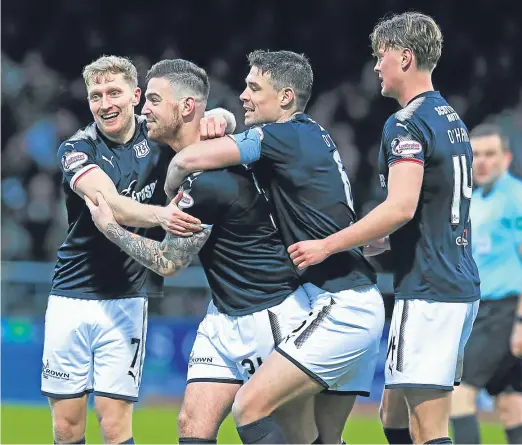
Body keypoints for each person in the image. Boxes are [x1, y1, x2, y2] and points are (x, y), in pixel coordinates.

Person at [85, 58, 319, 444]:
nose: (145, 110)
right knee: (192, 426)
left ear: (186, 107)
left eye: (155, 100)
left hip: (269, 312)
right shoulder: (197, 152)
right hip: (223, 315)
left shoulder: (211, 180)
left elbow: (169, 261)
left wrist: (110, 227)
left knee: (294, 434)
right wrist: (223, 116)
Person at [163, 49, 384, 444]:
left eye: (253, 88)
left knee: (250, 408)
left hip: (340, 305)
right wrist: (225, 119)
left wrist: (171, 186)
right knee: (323, 438)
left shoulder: (281, 137)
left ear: (284, 97)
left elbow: (191, 158)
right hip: (352, 296)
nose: (244, 95)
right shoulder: (306, 136)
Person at [288, 12, 481, 444]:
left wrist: (327, 246)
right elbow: (431, 208)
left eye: (381, 56)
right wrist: (374, 243)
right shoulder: (451, 118)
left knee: (428, 428)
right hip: (456, 281)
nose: (375, 66)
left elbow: (400, 207)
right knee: (392, 411)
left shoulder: (406, 123)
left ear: (405, 58)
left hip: (431, 290)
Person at [42, 55, 232, 444]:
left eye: (114, 92)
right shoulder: (77, 149)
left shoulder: (156, 134)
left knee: (115, 426)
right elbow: (107, 204)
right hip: (71, 295)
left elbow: (196, 117)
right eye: (96, 96)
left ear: (136, 96)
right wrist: (162, 216)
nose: (105, 103)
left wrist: (224, 117)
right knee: (67, 426)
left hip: (127, 300)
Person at [450, 124, 522, 444]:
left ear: (506, 158)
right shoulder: (475, 200)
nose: (482, 162)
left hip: (504, 313)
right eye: (475, 155)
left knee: (458, 398)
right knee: (510, 406)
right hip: (482, 312)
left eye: (490, 154)